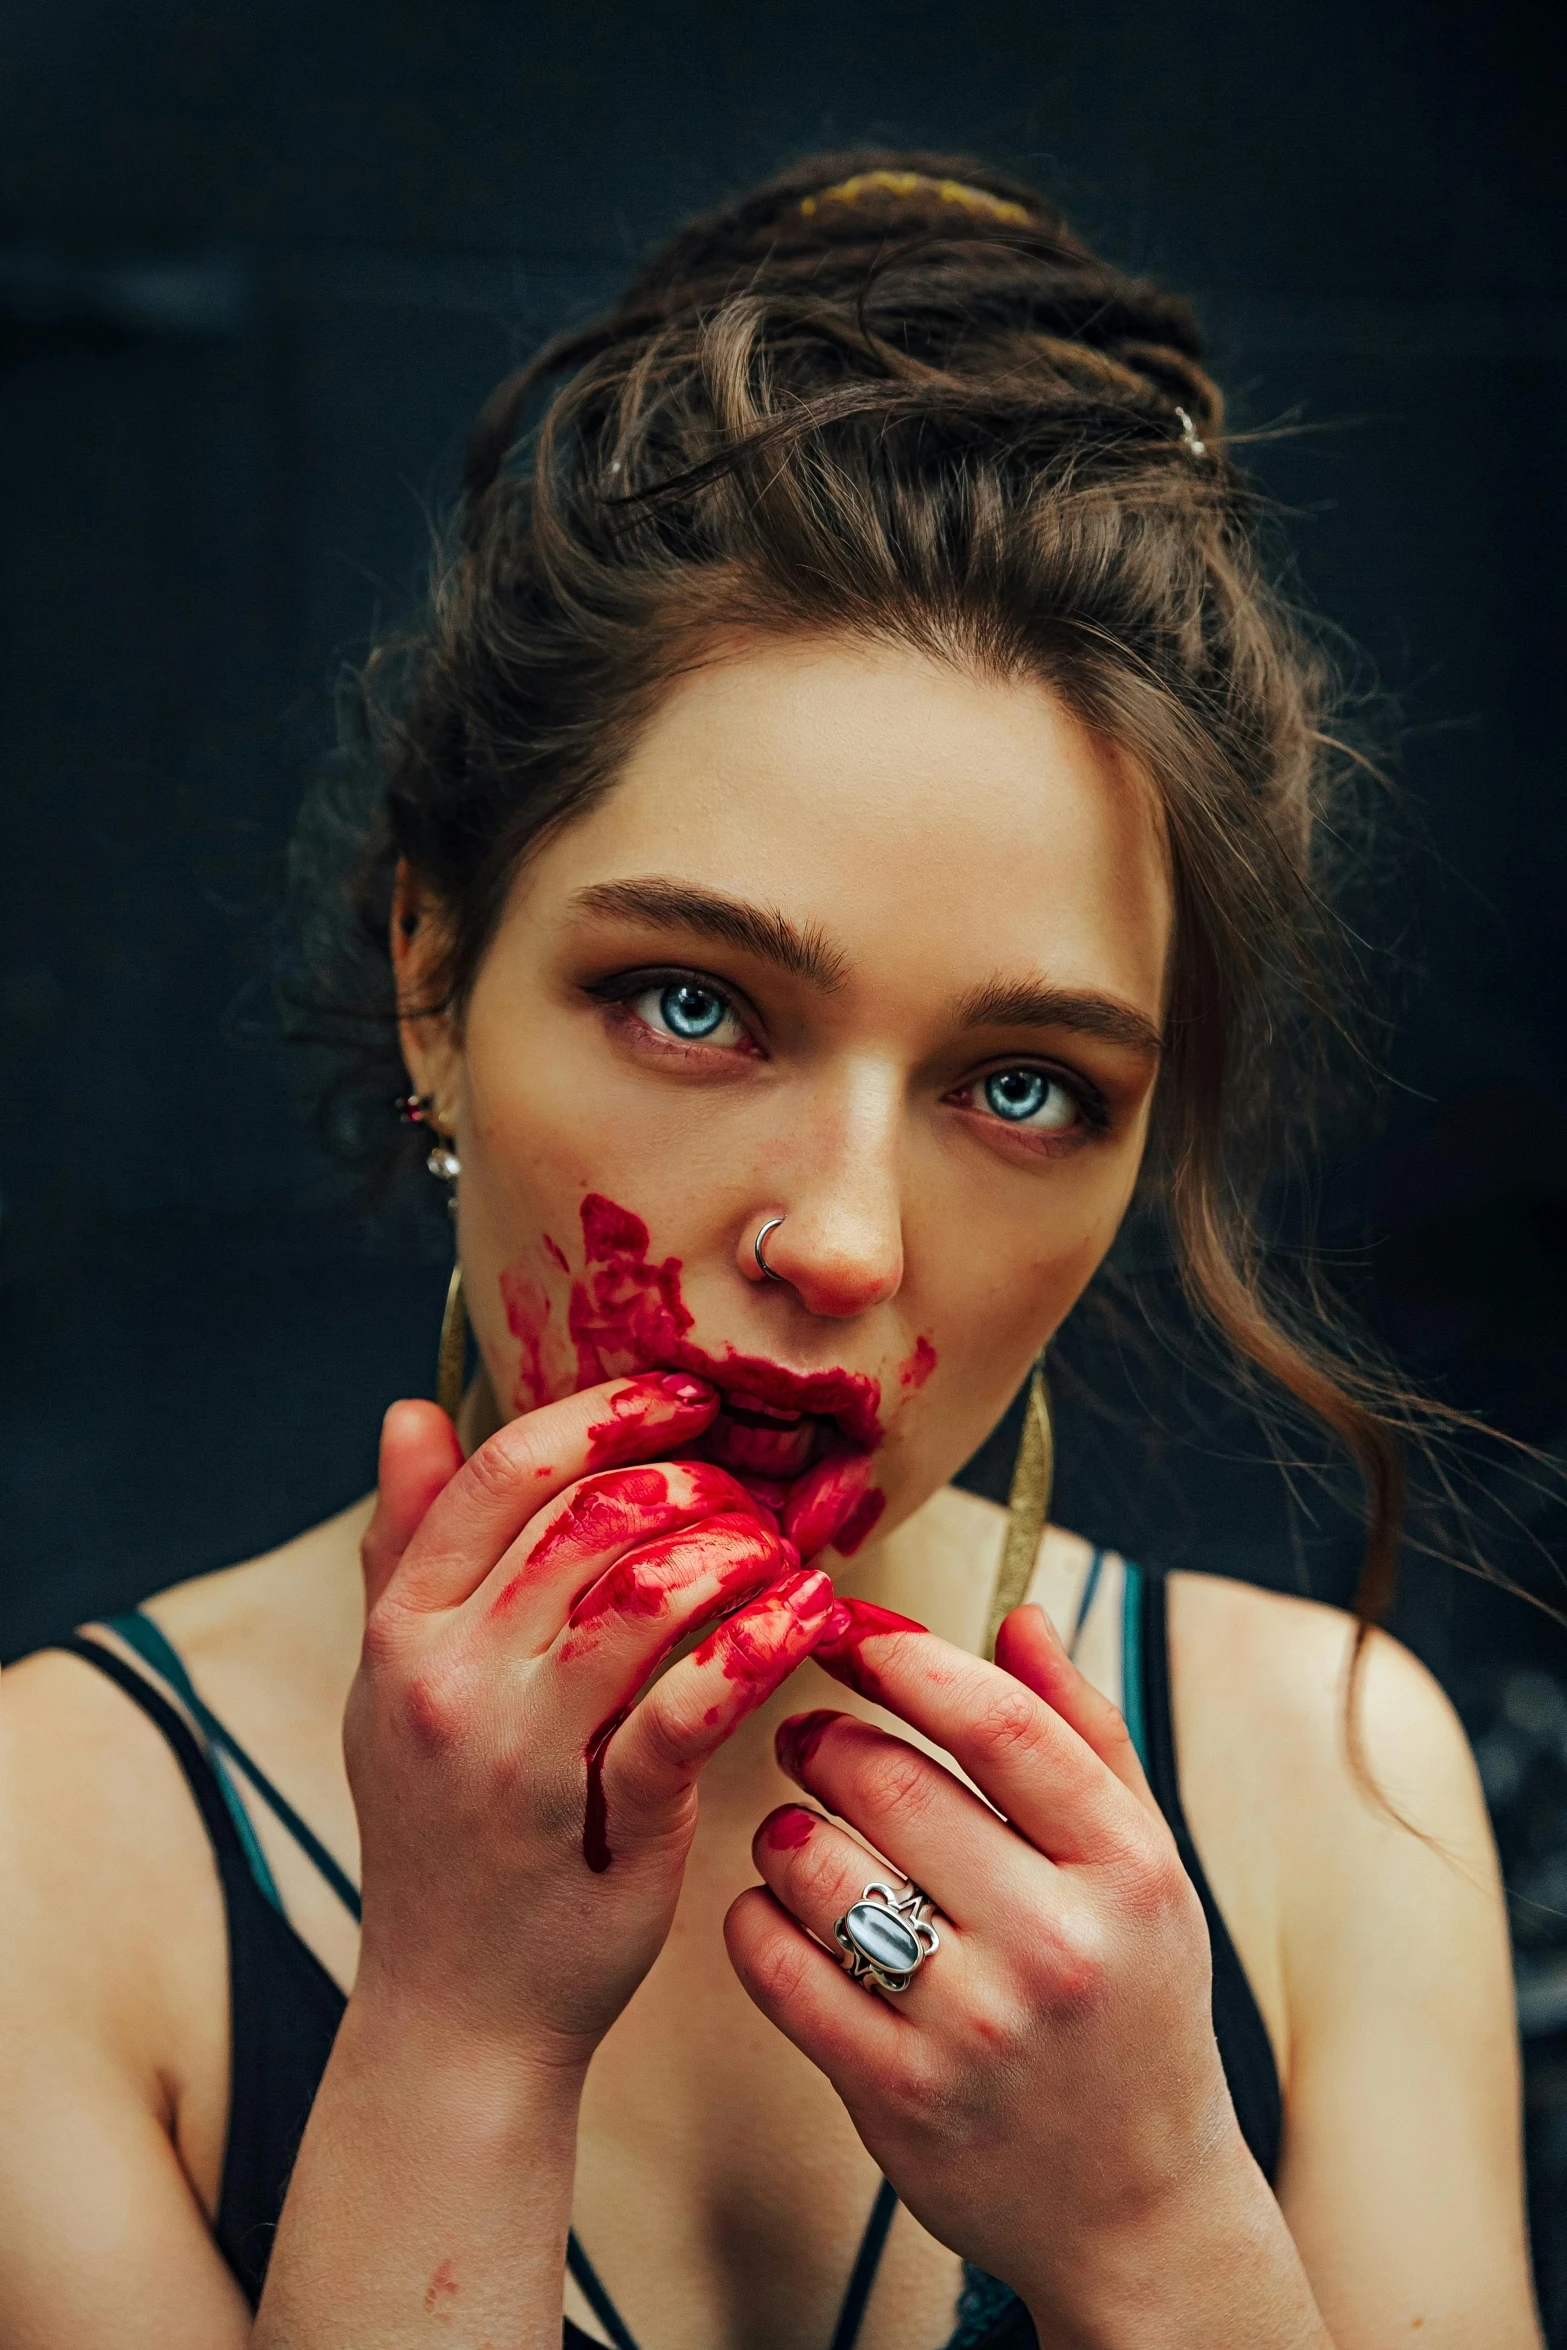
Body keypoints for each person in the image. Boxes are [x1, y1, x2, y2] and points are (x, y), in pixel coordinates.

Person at [0, 151, 1540, 2349]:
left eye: (1023, 1083)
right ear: (436, 975)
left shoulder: (1328, 1787)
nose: (836, 1239)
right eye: (697, 1003)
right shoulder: (50, 1857)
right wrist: (450, 2033)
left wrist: (1160, 2231)